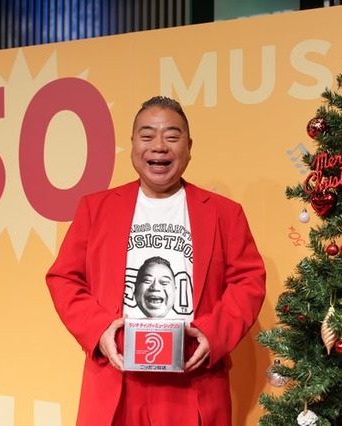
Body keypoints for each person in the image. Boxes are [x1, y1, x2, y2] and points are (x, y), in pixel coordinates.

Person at [46, 96, 266, 426]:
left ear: (189, 147)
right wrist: (99, 329)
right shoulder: (96, 208)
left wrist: (214, 334)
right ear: (133, 145)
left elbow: (249, 281)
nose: (159, 146)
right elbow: (63, 278)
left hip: (192, 375)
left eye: (172, 136)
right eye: (147, 136)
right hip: (117, 375)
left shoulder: (224, 213)